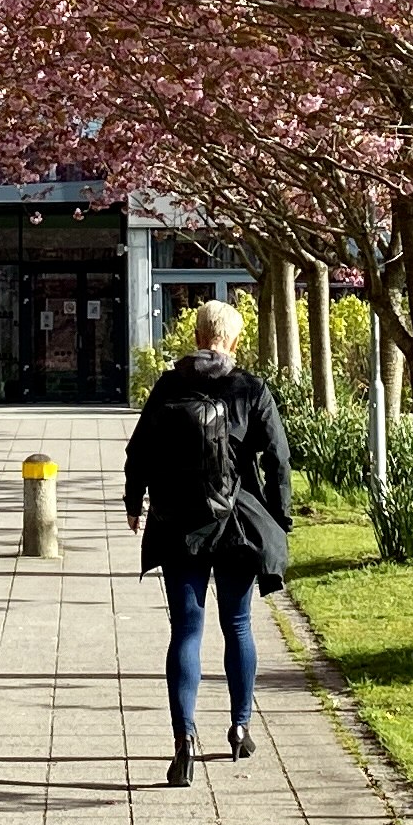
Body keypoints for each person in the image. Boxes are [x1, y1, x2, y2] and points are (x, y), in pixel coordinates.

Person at [122, 297, 294, 787]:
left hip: (179, 525)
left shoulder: (169, 386)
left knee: (186, 630)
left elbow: (139, 452)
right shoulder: (250, 389)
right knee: (238, 624)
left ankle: (184, 739)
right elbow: (278, 459)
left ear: (197, 336)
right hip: (237, 524)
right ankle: (240, 727)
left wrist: (135, 504)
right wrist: (279, 517)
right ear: (233, 340)